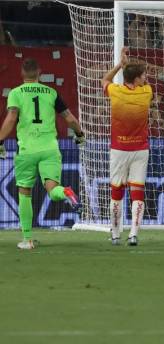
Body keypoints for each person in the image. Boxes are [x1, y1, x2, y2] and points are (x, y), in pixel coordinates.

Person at [0, 59, 84, 250]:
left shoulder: (16, 93)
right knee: (53, 190)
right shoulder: (51, 93)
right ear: (39, 72)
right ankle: (66, 192)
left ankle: (27, 240)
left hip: (27, 150)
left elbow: (11, 118)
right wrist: (80, 134)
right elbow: (69, 118)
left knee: (24, 192)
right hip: (50, 149)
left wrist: (0, 140)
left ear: (22, 73)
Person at [101, 48, 152, 246]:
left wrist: (119, 66)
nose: (146, 77)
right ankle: (133, 234)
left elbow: (104, 80)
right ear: (138, 79)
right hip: (140, 150)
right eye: (143, 75)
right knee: (137, 192)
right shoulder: (146, 92)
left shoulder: (116, 92)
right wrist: (128, 66)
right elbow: (145, 83)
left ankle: (115, 234)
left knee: (116, 192)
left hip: (119, 149)